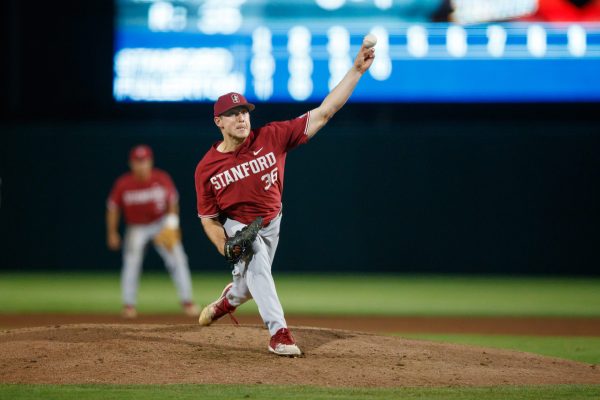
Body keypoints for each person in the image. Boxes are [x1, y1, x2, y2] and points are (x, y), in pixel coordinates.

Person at [195, 42, 375, 356]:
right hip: (240, 226)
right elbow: (208, 218)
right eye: (232, 114)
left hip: (272, 221)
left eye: (244, 111)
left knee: (251, 283)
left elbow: (325, 112)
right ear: (218, 122)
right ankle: (279, 333)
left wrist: (357, 70)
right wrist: (223, 243)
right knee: (254, 257)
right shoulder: (207, 168)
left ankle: (229, 300)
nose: (241, 118)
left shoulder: (272, 136)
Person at [107, 144, 199, 318]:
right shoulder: (123, 183)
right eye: (138, 161)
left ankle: (187, 301)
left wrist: (171, 225)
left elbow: (173, 201)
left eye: (144, 161)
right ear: (131, 163)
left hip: (160, 224)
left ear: (150, 162)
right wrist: (112, 232)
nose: (141, 165)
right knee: (131, 262)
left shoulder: (161, 178)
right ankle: (128, 305)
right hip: (136, 227)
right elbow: (112, 208)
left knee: (178, 259)